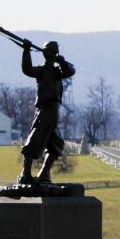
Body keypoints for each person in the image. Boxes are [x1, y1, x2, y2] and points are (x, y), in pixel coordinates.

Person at [16, 40, 76, 184]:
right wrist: (26, 51)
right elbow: (27, 69)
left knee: (56, 145)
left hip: (53, 110)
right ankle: (26, 174)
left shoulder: (57, 71)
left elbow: (71, 70)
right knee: (36, 138)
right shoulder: (42, 71)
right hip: (45, 109)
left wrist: (61, 62)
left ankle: (43, 174)